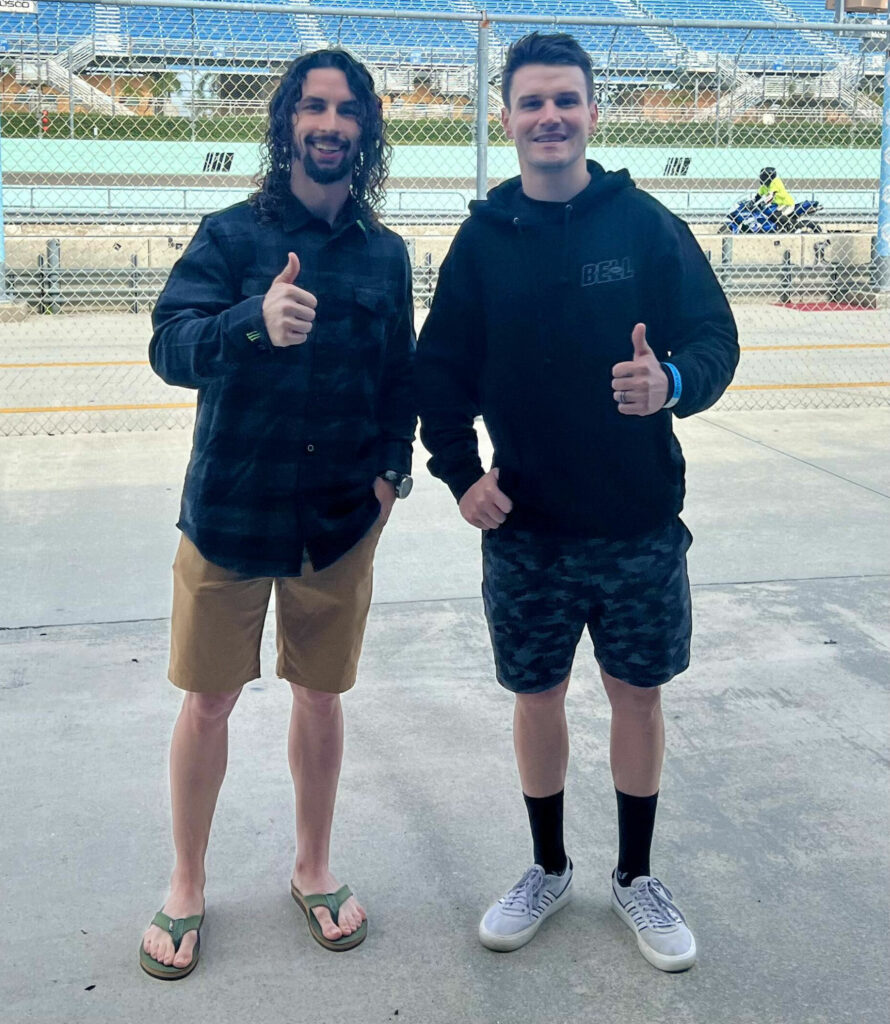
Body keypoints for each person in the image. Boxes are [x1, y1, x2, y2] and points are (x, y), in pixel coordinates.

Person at [416, 32, 739, 972]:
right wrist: (458, 474)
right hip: (526, 532)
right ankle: (548, 867)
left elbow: (715, 337)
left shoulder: (644, 225)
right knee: (538, 696)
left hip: (637, 525)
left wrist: (671, 381)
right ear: (506, 117)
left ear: (594, 112)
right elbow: (439, 370)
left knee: (635, 697)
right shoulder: (482, 242)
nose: (549, 117)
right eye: (531, 102)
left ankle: (636, 878)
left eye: (567, 100)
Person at [139, 47, 415, 979]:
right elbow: (169, 346)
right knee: (208, 698)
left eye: (346, 111)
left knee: (321, 695)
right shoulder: (229, 236)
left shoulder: (386, 254)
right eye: (313, 108)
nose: (329, 125)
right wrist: (252, 319)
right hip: (230, 506)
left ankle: (313, 866)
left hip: (339, 518)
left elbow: (400, 382)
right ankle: (185, 882)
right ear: (287, 123)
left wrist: (389, 478)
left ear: (366, 130)